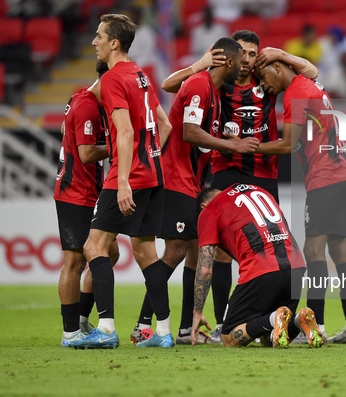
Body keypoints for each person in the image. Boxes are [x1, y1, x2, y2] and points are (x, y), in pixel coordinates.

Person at [161, 30, 319, 343]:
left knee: (271, 241)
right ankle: (224, 323)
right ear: (231, 55)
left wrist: (282, 55)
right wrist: (200, 63)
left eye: (253, 54)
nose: (247, 60)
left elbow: (311, 73)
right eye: (243, 53)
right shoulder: (220, 80)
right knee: (220, 253)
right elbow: (169, 85)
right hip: (225, 169)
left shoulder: (266, 82)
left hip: (263, 173)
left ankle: (275, 321)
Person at [130, 37, 258, 345]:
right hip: (176, 180)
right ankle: (143, 325)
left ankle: (187, 327)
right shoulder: (200, 84)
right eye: (240, 59)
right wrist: (233, 144)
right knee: (175, 252)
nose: (244, 65)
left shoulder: (211, 90)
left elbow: (196, 132)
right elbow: (188, 131)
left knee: (194, 251)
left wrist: (222, 134)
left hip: (190, 181)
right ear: (227, 62)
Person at [69, 14, 173, 349]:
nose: (94, 41)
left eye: (99, 36)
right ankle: (163, 333)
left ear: (115, 42)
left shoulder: (114, 78)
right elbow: (166, 126)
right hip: (153, 174)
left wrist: (125, 180)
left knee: (93, 246)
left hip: (127, 176)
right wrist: (148, 162)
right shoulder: (140, 74)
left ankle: (107, 329)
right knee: (145, 252)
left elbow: (125, 131)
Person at [254, 60, 346, 344]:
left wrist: (247, 145)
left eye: (262, 76)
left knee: (313, 249)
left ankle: (317, 327)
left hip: (326, 178)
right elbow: (311, 69)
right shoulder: (310, 83)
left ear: (278, 68)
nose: (262, 84)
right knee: (340, 250)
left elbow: (287, 145)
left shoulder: (295, 91)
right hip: (345, 174)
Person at [191, 184, 323, 349]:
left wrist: (197, 312)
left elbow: (205, 269)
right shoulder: (260, 190)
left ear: (203, 206)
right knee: (269, 339)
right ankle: (298, 320)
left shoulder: (209, 209)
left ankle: (275, 316)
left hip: (261, 267)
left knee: (229, 338)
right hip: (296, 265)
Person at [54, 61, 119, 347]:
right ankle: (71, 333)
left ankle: (81, 318)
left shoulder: (87, 101)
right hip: (75, 193)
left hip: (91, 192)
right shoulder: (87, 106)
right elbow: (86, 153)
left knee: (109, 253)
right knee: (74, 262)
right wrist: (120, 145)